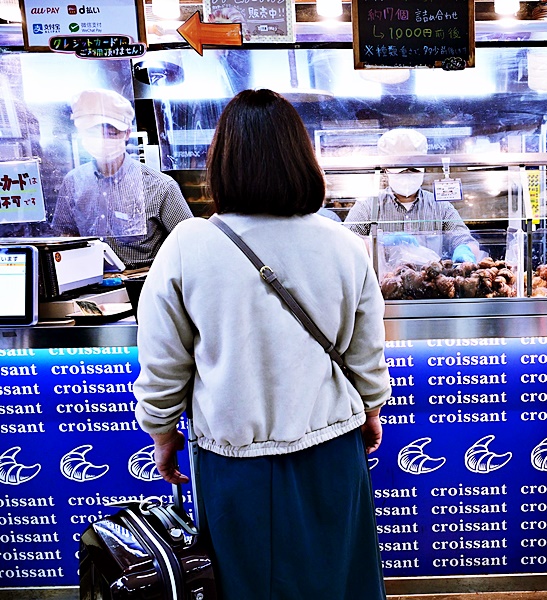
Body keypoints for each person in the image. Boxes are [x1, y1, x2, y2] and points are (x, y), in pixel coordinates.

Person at [133, 89, 391, 600]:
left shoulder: (187, 245)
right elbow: (366, 351)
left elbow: (163, 362)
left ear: (222, 164)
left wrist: (162, 434)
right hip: (332, 450)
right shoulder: (343, 243)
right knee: (337, 580)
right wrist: (371, 409)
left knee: (245, 585)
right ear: (303, 159)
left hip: (233, 461)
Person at [52, 88, 192, 269]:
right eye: (93, 133)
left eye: (111, 133)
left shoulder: (160, 186)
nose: (103, 140)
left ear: (127, 133)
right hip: (87, 281)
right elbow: (64, 234)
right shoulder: (73, 182)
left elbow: (189, 244)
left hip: (144, 283)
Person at [344, 128, 479, 262]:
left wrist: (464, 251)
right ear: (385, 170)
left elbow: (465, 240)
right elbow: (345, 242)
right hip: (382, 282)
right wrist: (379, 244)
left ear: (424, 169)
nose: (407, 174)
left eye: (414, 169)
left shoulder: (441, 206)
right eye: (400, 169)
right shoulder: (368, 206)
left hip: (429, 281)